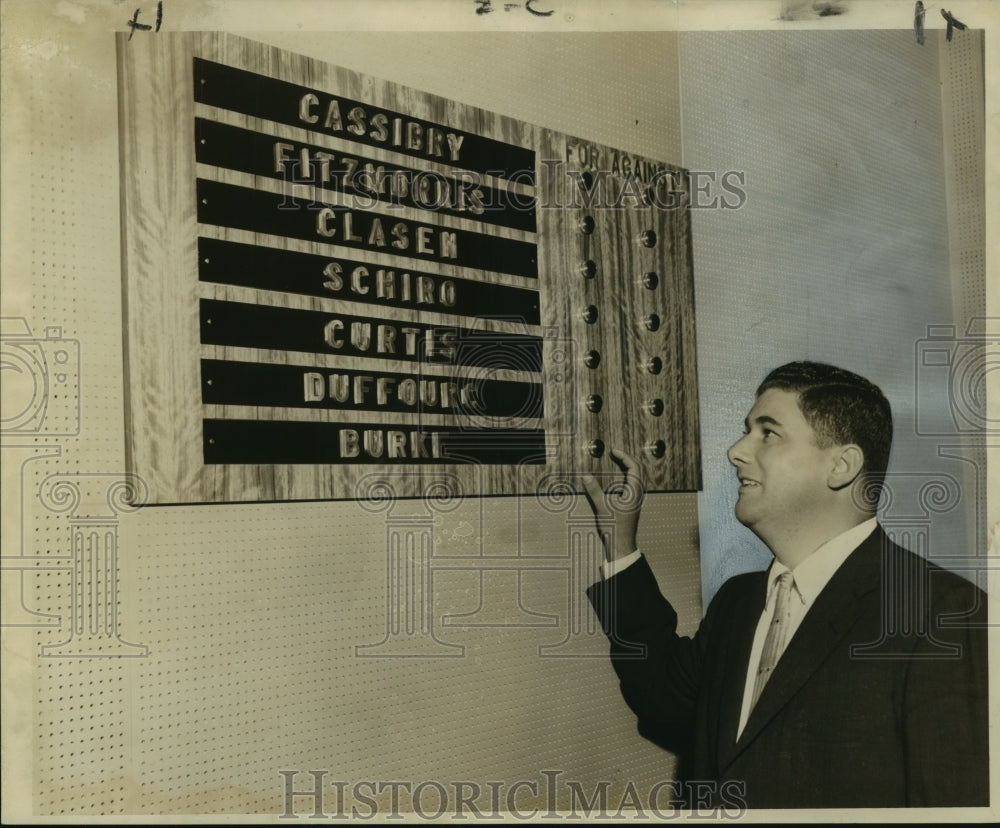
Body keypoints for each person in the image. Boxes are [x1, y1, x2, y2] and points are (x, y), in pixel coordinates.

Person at [582, 361, 988, 809]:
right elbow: (663, 701)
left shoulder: (947, 616)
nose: (737, 451)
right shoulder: (738, 601)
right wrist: (620, 545)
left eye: (767, 432)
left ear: (841, 465)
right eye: (746, 430)